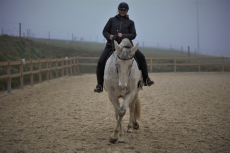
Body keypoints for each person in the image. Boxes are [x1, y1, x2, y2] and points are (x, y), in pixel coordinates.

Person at [94, 2, 154, 93]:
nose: (122, 11)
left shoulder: (130, 22)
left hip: (127, 47)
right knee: (101, 61)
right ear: (118, 10)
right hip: (112, 46)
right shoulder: (111, 20)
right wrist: (109, 36)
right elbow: (105, 31)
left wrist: (123, 35)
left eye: (124, 10)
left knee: (141, 57)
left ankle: (146, 79)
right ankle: (99, 85)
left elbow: (133, 35)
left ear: (127, 11)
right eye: (121, 10)